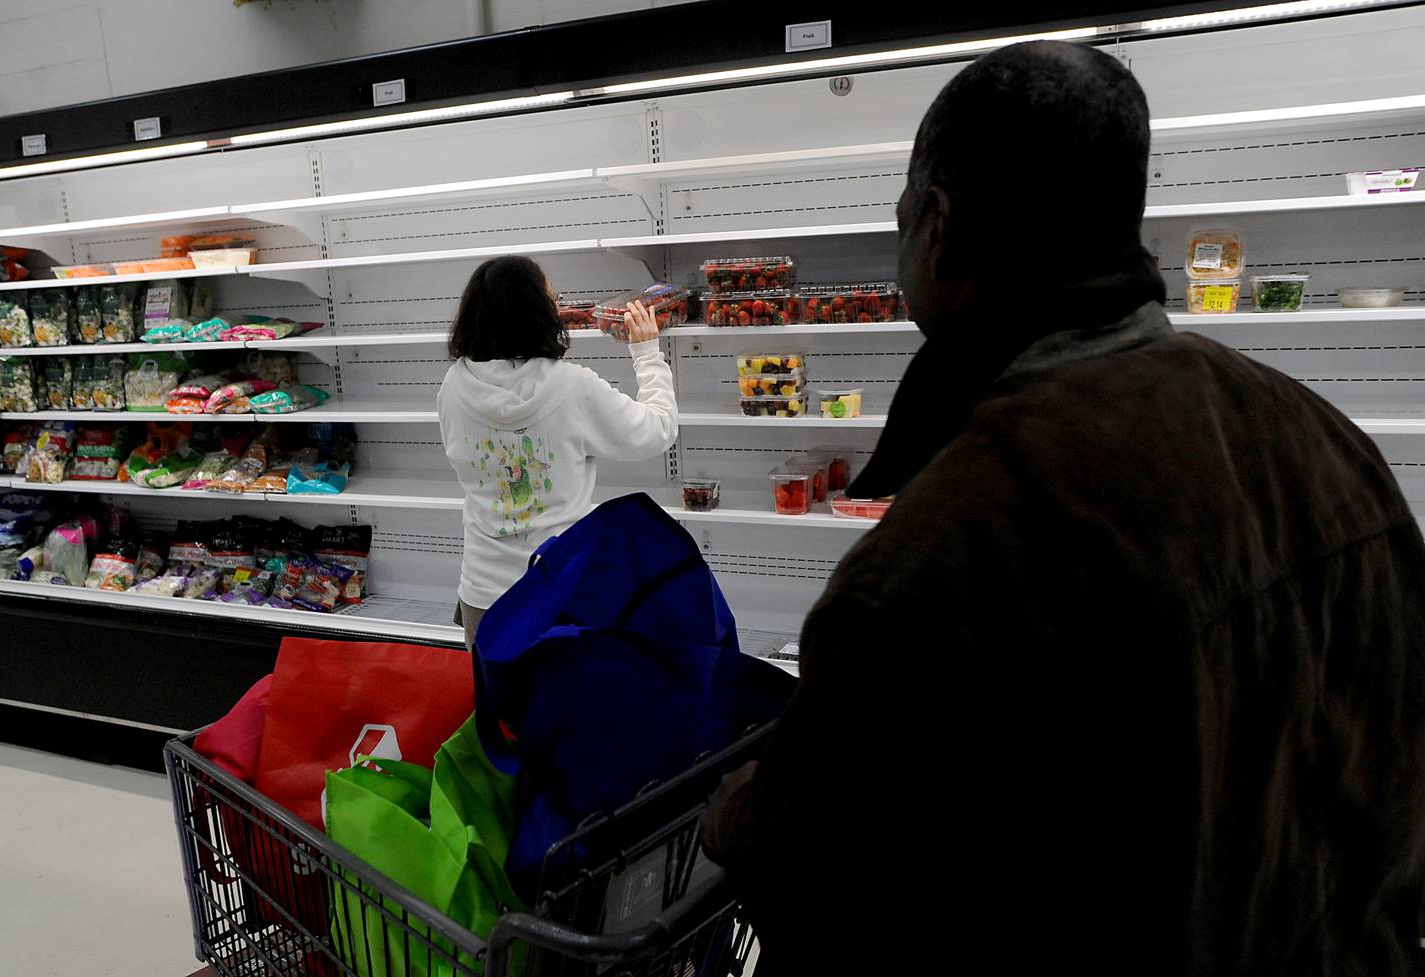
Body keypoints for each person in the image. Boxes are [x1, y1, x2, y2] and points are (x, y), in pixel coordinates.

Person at [701, 41, 1425, 976]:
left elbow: (836, 895)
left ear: (937, 229)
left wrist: (740, 817)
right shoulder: (1333, 450)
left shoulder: (939, 557)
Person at [437, 256, 677, 648]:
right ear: (537, 312)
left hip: (483, 594)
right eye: (553, 299)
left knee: (500, 705)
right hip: (560, 590)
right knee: (565, 705)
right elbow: (656, 431)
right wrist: (648, 353)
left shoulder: (454, 386)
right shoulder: (572, 386)